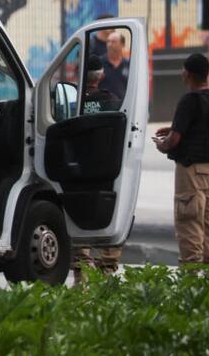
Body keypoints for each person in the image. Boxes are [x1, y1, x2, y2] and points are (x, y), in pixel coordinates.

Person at [153, 53, 209, 267]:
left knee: (189, 220)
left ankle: (191, 273)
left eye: (184, 70)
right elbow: (203, 128)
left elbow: (174, 140)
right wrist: (173, 128)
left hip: (190, 171)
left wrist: (161, 145)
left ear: (190, 74)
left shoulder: (189, 100)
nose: (182, 73)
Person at [72, 54, 122, 281]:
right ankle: (107, 273)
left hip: (78, 171)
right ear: (101, 76)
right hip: (105, 171)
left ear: (79, 74)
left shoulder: (71, 101)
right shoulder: (112, 101)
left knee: (77, 217)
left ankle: (81, 275)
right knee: (109, 216)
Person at [101, 31, 130, 101]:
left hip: (124, 105)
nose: (109, 45)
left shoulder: (129, 64)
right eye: (108, 41)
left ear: (122, 44)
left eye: (113, 42)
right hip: (104, 104)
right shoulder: (100, 63)